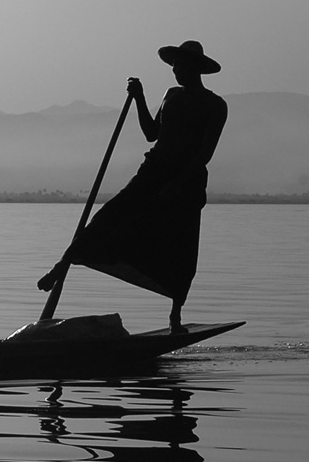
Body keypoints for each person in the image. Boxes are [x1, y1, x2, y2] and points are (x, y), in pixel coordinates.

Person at [38, 40, 228, 331]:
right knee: (109, 216)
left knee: (180, 246)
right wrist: (139, 97)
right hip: (152, 172)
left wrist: (178, 184)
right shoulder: (171, 95)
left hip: (186, 182)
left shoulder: (214, 105)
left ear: (195, 68)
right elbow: (152, 133)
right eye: (173, 64)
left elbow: (204, 154)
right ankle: (62, 264)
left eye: (180, 64)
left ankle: (174, 315)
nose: (175, 70)